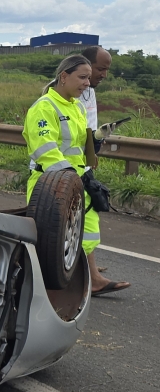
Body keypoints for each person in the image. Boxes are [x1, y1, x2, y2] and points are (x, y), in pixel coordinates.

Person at [23, 53, 129, 294]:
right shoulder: (44, 107)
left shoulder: (77, 106)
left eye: (88, 78)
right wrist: (69, 178)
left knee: (85, 235)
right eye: (82, 77)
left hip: (77, 183)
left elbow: (80, 144)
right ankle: (47, 289)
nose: (87, 84)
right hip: (52, 185)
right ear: (64, 76)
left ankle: (82, 281)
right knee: (51, 241)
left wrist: (98, 137)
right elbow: (44, 150)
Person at [78, 44, 113, 282]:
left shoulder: (89, 91)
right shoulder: (67, 92)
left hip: (82, 163)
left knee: (85, 217)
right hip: (66, 168)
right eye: (100, 69)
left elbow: (86, 127)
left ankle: (86, 267)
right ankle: (90, 275)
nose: (104, 74)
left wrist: (96, 142)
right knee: (84, 217)